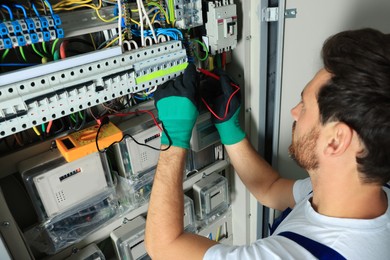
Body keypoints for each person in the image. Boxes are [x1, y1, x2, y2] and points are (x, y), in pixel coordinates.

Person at [144, 28, 390, 259]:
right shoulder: (362, 193)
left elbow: (163, 247)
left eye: (304, 106)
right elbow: (270, 189)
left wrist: (174, 137)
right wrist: (231, 131)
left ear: (336, 141)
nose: (294, 112)